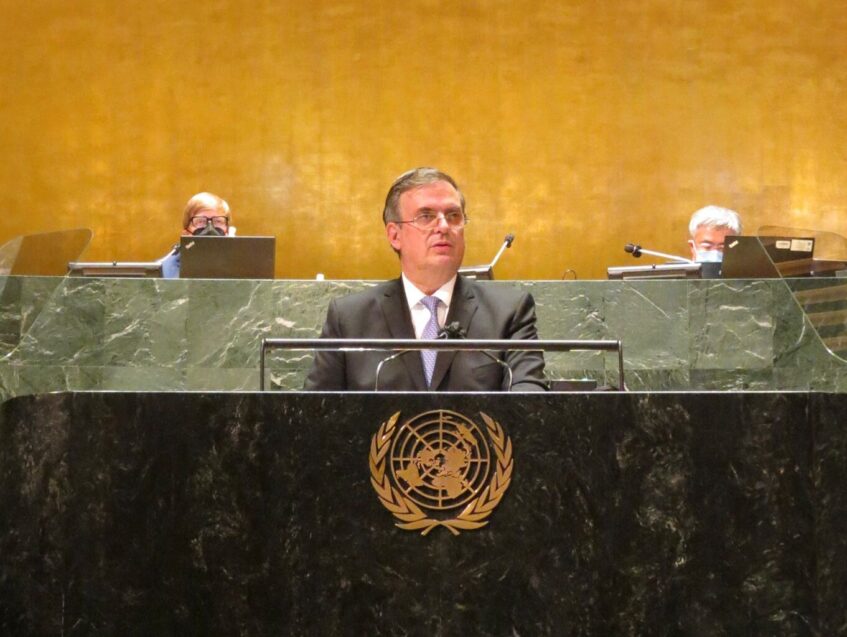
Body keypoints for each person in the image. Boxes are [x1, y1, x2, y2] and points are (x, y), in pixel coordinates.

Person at [304, 167, 547, 392]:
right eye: (426, 216)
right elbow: (315, 411)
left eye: (453, 215)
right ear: (395, 235)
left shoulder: (508, 313)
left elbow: (529, 402)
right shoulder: (349, 319)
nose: (443, 226)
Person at [160, 192, 233, 278]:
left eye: (218, 221)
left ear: (228, 231)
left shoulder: (241, 266)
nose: (210, 229)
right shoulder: (164, 271)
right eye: (201, 221)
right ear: (186, 233)